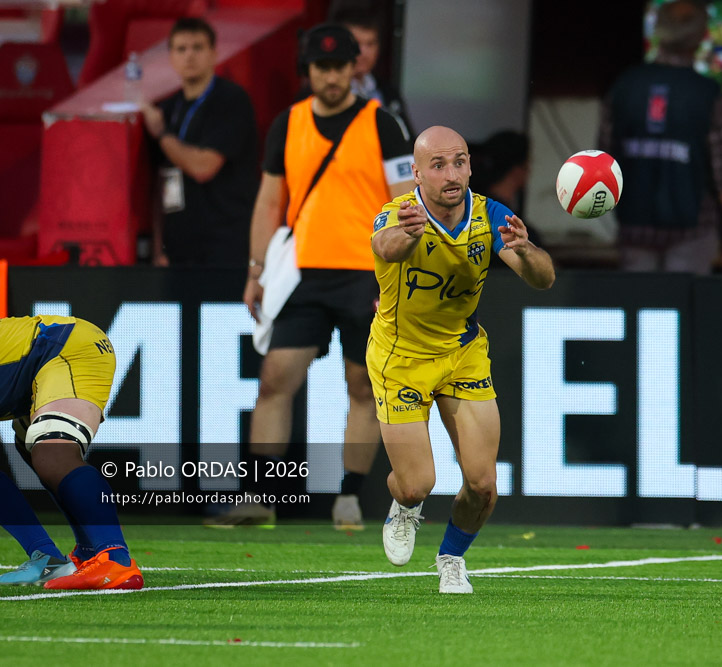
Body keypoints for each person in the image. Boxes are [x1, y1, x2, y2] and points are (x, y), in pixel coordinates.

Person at [206, 23, 414, 529]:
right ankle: (258, 496)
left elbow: (408, 202)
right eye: (322, 67)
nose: (331, 76)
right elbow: (269, 201)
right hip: (303, 274)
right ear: (310, 70)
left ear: (354, 67)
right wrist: (256, 270)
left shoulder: (382, 123)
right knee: (275, 379)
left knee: (363, 385)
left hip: (370, 273)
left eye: (340, 65)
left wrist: (400, 275)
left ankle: (349, 495)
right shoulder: (288, 122)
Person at [370, 125, 555, 594]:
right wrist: (406, 237)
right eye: (438, 165)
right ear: (416, 172)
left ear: (470, 165)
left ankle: (451, 557)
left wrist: (526, 250)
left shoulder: (490, 215)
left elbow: (543, 279)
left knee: (483, 485)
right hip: (401, 355)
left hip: (462, 353)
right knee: (416, 485)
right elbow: (383, 247)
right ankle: (404, 507)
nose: (451, 174)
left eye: (460, 162)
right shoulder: (399, 215)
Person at [599, 0, 722, 275]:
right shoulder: (707, 93)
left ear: (657, 31)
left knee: (638, 309)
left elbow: (603, 157)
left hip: (634, 225)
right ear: (702, 36)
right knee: (684, 310)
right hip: (691, 229)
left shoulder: (624, 85)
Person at [0, 315, 143, 590]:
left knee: (53, 455)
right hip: (44, 358)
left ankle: (114, 558)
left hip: (66, 347)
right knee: (38, 448)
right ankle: (58, 558)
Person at [139, 17, 258, 267]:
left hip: (225, 245)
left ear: (214, 53)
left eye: (198, 47)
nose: (189, 56)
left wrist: (162, 135)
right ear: (171, 57)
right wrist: (160, 246)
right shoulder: (168, 108)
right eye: (181, 49)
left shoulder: (231, 100)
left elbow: (203, 168)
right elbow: (160, 184)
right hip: (179, 246)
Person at [328, 5, 415, 141]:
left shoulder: (388, 91)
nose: (364, 53)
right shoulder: (323, 92)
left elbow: (408, 139)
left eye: (370, 44)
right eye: (357, 44)